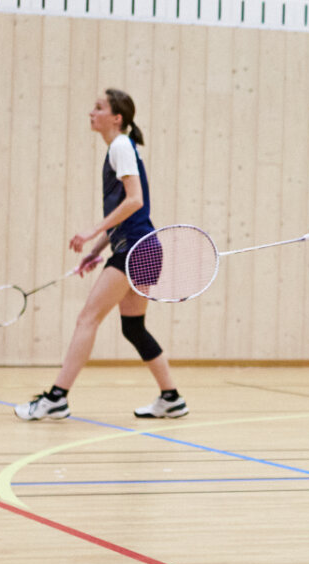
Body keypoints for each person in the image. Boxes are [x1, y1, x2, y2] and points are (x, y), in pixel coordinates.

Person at [13, 90, 186, 422]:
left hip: (135, 248)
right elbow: (127, 211)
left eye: (98, 108)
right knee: (133, 328)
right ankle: (171, 398)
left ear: (116, 118)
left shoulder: (120, 146)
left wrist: (92, 231)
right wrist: (96, 251)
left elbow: (134, 201)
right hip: (144, 247)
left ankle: (56, 399)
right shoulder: (120, 148)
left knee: (87, 319)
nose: (91, 113)